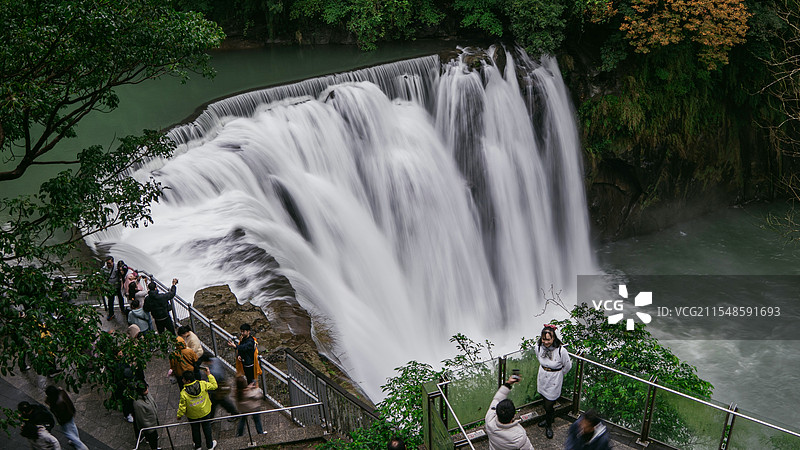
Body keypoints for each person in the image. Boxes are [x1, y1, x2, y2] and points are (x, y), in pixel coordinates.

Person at [536, 324, 572, 439]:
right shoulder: (538, 347)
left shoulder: (561, 351)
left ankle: (549, 424)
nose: (546, 342)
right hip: (542, 376)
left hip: (554, 379)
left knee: (549, 404)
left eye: (548, 339)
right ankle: (548, 419)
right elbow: (539, 358)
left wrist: (558, 374)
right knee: (544, 399)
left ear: (553, 338)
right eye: (544, 339)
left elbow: (567, 366)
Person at [484, 376, 534, 450]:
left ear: (496, 412)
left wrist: (508, 383)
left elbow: (497, 399)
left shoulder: (489, 420)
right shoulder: (519, 436)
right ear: (513, 415)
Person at [177, 367, 218, 450]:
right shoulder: (203, 384)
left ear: (188, 381)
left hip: (192, 415)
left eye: (183, 379)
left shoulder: (184, 393)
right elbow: (214, 386)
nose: (182, 380)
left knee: (195, 430)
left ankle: (198, 446)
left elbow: (182, 406)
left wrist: (179, 415)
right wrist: (209, 375)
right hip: (205, 412)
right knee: (207, 428)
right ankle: (210, 446)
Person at [44, 385, 89, 450]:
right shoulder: (61, 392)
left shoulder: (56, 403)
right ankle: (76, 440)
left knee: (68, 433)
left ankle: (81, 446)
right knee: (73, 427)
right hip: (70, 412)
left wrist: (49, 404)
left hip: (65, 419)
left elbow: (56, 413)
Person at [133, 384, 160, 450]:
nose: (147, 391)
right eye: (145, 390)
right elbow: (141, 418)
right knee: (152, 439)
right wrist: (148, 428)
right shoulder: (138, 404)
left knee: (155, 437)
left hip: (153, 421)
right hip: (149, 426)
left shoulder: (146, 395)